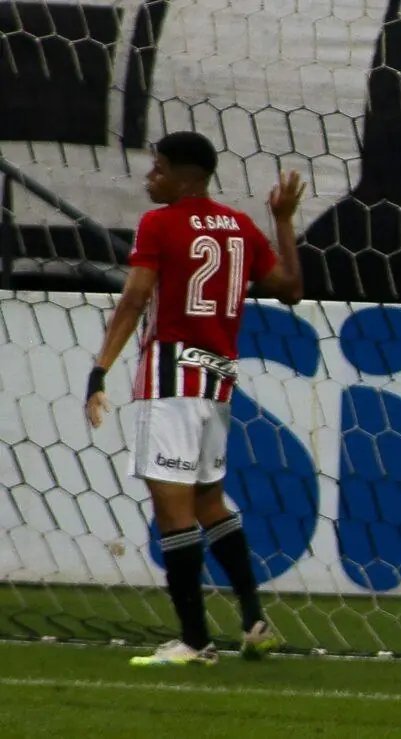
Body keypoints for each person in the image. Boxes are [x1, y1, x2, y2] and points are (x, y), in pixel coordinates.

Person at [84, 131, 307, 666]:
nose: (149, 178)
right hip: (216, 380)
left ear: (185, 177)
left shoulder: (160, 224)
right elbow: (291, 288)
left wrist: (99, 370)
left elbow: (136, 298)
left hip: (171, 376)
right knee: (208, 502)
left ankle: (194, 641)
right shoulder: (239, 225)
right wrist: (283, 219)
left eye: (157, 169)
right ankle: (254, 621)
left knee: (172, 509)